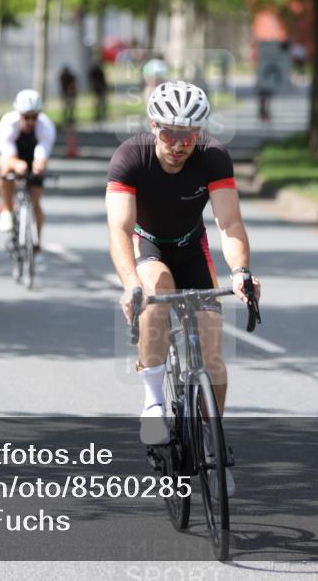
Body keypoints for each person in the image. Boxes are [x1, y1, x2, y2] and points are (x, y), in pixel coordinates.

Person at [105, 80, 261, 496]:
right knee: (157, 288)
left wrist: (241, 271)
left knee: (213, 349)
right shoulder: (130, 158)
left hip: (193, 247)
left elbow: (229, 224)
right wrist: (130, 284)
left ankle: (213, 443)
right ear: (153, 126)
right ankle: (153, 399)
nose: (178, 144)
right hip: (148, 243)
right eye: (170, 133)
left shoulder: (213, 158)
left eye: (188, 135)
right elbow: (119, 229)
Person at [0, 89, 56, 246]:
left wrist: (39, 165)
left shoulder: (46, 126)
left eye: (34, 117)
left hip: (32, 155)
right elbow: (7, 153)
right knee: (5, 170)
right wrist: (16, 164)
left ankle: (37, 241)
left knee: (36, 199)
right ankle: (7, 210)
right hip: (13, 155)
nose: (30, 121)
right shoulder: (8, 123)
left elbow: (42, 152)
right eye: (26, 117)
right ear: (18, 113)